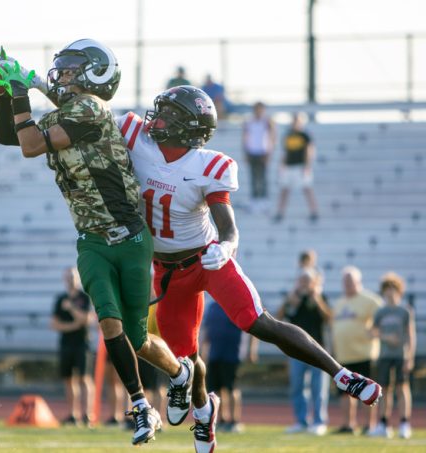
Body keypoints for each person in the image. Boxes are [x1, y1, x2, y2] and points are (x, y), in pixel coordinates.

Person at [115, 85, 382, 452]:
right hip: (167, 272)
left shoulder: (208, 164)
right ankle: (205, 412)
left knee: (257, 321)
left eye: (168, 113)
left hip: (207, 260)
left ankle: (341, 374)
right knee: (187, 361)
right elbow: (86, 115)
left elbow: (228, 226)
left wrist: (226, 248)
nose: (156, 117)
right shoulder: (136, 136)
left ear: (187, 126)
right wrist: (37, 85)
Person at [0, 40, 192, 445]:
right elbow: (8, 136)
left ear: (94, 74)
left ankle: (180, 373)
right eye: (60, 69)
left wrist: (19, 90)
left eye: (69, 69)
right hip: (92, 240)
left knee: (137, 339)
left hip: (131, 236)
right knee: (109, 323)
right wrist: (3, 91)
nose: (61, 75)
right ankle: (140, 407)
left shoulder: (91, 108)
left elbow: (30, 145)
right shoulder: (67, 114)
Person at [278, 268, 331, 435]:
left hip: (317, 349)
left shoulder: (320, 297)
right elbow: (278, 318)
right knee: (297, 386)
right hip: (297, 350)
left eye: (307, 281)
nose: (304, 284)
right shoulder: (294, 297)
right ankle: (301, 421)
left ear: (314, 282)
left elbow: (329, 317)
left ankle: (319, 422)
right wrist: (288, 302)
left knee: (318, 387)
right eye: (302, 281)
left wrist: (317, 299)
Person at [331, 266, 382, 435]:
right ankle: (348, 424)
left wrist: (374, 332)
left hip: (364, 353)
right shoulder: (339, 303)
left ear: (358, 281)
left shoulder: (370, 300)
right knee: (344, 393)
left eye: (350, 280)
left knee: (366, 391)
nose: (347, 284)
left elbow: (383, 320)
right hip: (343, 355)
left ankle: (370, 425)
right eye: (345, 281)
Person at [369, 272, 415, 439]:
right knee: (385, 390)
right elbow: (372, 331)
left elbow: (411, 335)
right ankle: (383, 424)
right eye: (387, 289)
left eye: (392, 289)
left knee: (402, 388)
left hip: (400, 355)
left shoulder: (404, 311)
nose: (389, 292)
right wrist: (386, 337)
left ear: (399, 291)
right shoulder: (380, 312)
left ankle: (404, 423)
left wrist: (409, 356)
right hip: (384, 356)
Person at [200, 300, 257, 433]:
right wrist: (203, 350)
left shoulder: (236, 304)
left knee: (231, 388)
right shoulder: (212, 307)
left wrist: (251, 350)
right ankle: (221, 419)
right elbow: (206, 329)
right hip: (214, 354)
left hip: (232, 354)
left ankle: (234, 421)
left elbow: (252, 328)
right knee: (215, 389)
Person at [50, 266, 94, 427]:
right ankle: (73, 414)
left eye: (73, 277)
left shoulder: (84, 297)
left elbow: (86, 319)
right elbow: (54, 324)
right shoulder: (60, 298)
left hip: (82, 344)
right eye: (68, 277)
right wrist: (74, 325)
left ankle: (88, 415)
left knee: (85, 378)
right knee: (68, 380)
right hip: (66, 343)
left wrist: (72, 309)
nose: (70, 280)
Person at [274, 112, 319, 223]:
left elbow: (310, 150)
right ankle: (280, 212)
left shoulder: (305, 135)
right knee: (284, 190)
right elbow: (285, 152)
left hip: (301, 166)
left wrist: (307, 165)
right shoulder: (288, 135)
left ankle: (314, 211)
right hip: (289, 166)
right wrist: (282, 165)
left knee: (307, 189)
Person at [242, 101, 276, 213]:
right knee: (253, 177)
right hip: (252, 152)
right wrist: (246, 152)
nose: (258, 111)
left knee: (263, 177)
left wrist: (269, 153)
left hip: (263, 152)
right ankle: (254, 200)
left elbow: (272, 137)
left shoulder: (267, 122)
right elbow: (245, 138)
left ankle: (264, 200)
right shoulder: (249, 122)